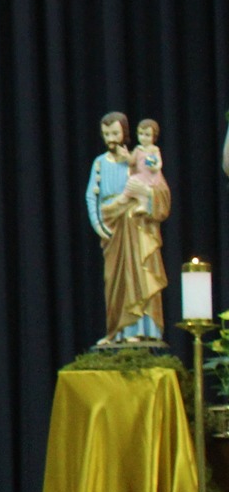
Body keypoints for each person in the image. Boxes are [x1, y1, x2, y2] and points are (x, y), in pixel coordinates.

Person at [88, 113, 170, 344]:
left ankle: (144, 330)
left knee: (141, 275)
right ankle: (118, 331)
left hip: (138, 227)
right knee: (115, 280)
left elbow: (160, 189)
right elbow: (91, 196)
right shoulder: (99, 163)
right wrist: (97, 223)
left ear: (124, 133)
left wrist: (147, 194)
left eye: (115, 133)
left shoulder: (136, 161)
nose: (111, 139)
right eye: (106, 134)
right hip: (112, 228)